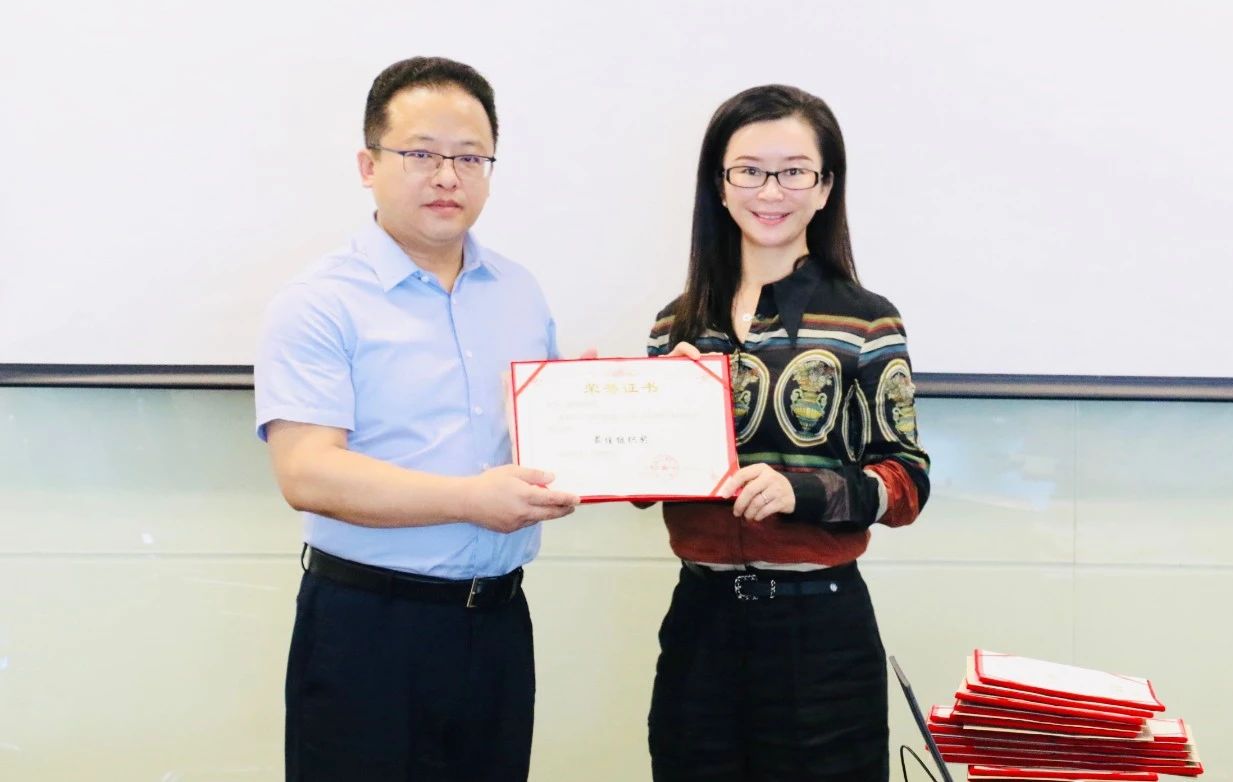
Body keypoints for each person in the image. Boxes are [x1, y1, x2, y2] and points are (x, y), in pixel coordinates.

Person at [255, 56, 578, 781]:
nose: (447, 177)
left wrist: (602, 404)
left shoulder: (519, 292)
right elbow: (307, 473)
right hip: (368, 628)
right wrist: (469, 500)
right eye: (422, 154)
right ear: (368, 165)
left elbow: (542, 434)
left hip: (497, 626)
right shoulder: (319, 302)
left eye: (470, 157)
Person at [644, 84, 931, 782]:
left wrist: (798, 491)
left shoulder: (866, 321)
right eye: (748, 170)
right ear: (719, 186)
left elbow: (906, 484)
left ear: (825, 187)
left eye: (794, 171)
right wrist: (629, 415)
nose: (770, 191)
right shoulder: (675, 325)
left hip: (821, 634)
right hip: (701, 622)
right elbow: (646, 482)